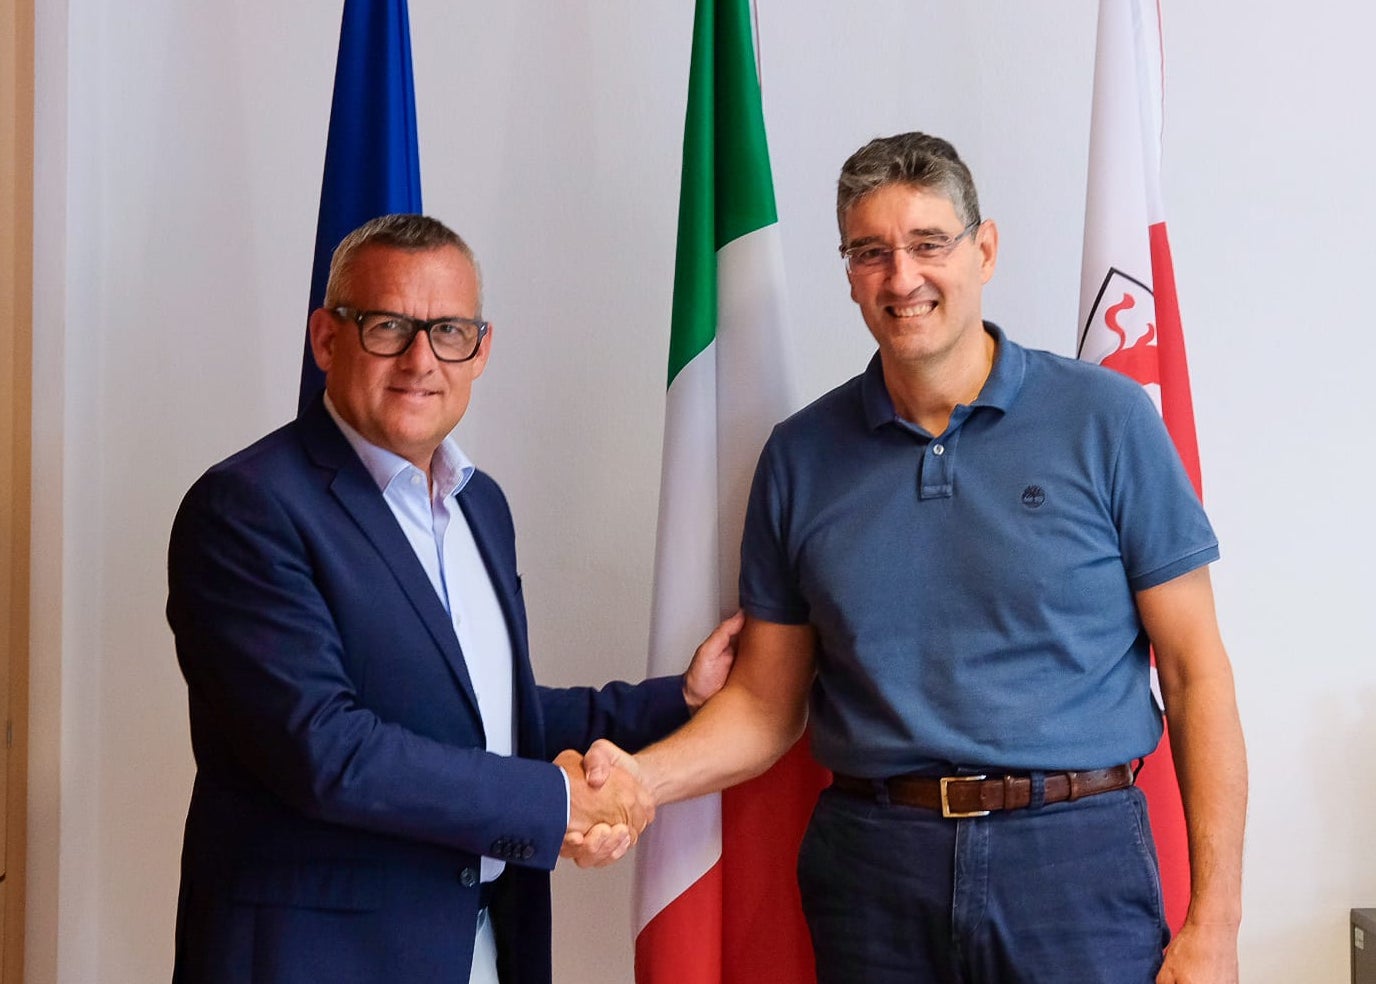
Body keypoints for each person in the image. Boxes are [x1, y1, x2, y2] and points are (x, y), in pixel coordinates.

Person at [579, 133, 1247, 983]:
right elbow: (765, 703)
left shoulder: (1106, 421)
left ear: (985, 250)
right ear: (849, 272)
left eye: (930, 243)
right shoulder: (799, 458)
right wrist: (638, 779)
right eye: (871, 252)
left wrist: (1216, 923)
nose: (902, 278)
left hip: (1074, 865)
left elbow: (1196, 676)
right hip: (874, 872)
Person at [166, 213, 738, 984]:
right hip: (317, 960)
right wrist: (556, 802)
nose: (421, 360)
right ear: (327, 339)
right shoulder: (248, 506)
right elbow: (325, 749)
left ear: (482, 348)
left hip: (479, 946)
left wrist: (682, 698)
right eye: (387, 327)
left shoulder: (479, 505)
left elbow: (485, 716)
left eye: (449, 332)